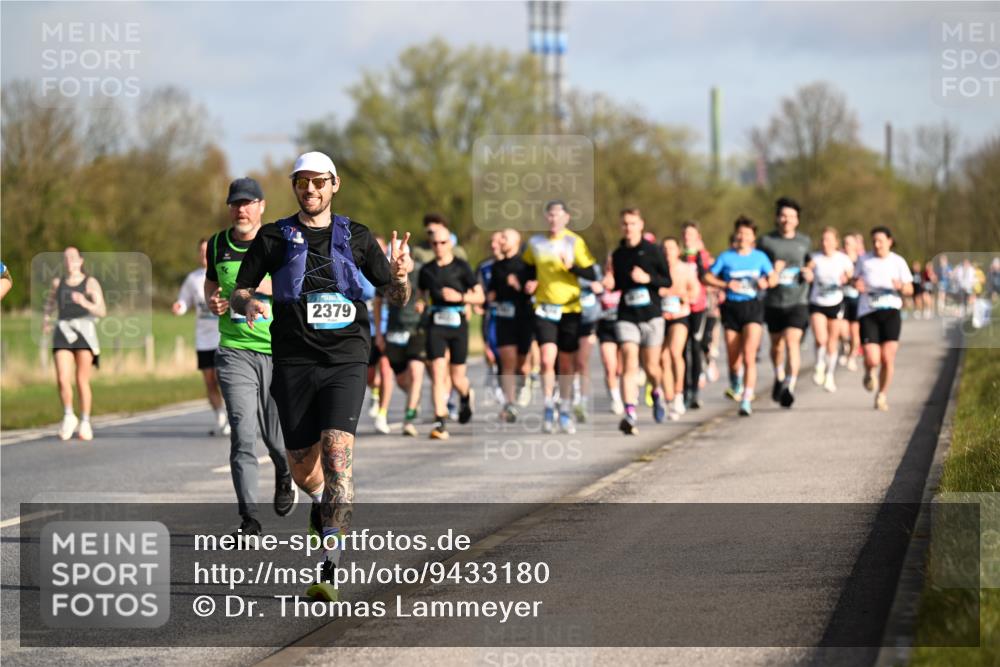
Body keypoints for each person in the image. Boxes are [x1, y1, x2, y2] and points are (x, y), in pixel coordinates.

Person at [231, 152, 412, 600]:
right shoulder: (274, 236)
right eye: (302, 182)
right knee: (302, 468)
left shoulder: (358, 237)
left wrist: (401, 277)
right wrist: (247, 303)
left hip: (346, 359)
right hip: (293, 361)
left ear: (335, 184)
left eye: (318, 182)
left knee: (337, 455)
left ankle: (330, 567)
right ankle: (318, 503)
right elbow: (239, 290)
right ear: (295, 186)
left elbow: (396, 296)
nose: (310, 189)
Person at [205, 178, 295, 536]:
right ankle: (249, 519)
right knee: (243, 434)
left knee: (275, 439)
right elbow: (211, 282)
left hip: (277, 351)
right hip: (235, 351)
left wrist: (254, 286)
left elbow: (296, 284)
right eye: (235, 204)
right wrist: (213, 300)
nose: (241, 210)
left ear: (261, 206)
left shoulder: (279, 242)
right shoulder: (217, 244)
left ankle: (285, 472)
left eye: (248, 203)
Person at [521, 200, 598, 434]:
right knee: (546, 360)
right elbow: (527, 268)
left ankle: (564, 408)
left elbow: (591, 273)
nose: (553, 219)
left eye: (558, 215)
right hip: (544, 308)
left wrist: (572, 267)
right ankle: (547, 406)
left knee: (566, 364)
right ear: (546, 218)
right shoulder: (536, 243)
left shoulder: (575, 241)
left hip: (570, 309)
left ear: (566, 218)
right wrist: (528, 282)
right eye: (550, 215)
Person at [603, 208, 672, 434]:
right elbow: (618, 284)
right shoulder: (618, 254)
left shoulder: (653, 250)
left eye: (632, 223)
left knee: (651, 366)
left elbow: (667, 281)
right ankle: (630, 413)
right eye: (625, 224)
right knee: (629, 363)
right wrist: (611, 283)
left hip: (651, 316)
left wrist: (647, 278)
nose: (628, 228)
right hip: (627, 316)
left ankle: (657, 391)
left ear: (641, 225)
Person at [703, 217, 778, 417]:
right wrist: (725, 284)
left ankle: (746, 398)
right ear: (735, 235)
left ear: (753, 237)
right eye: (740, 233)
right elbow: (707, 277)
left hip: (753, 307)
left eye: (747, 233)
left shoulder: (760, 257)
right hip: (731, 308)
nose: (743, 236)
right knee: (733, 357)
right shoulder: (726, 257)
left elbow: (773, 277)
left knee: (749, 355)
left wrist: (766, 282)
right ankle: (736, 381)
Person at [418, 225, 482, 440]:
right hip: (436, 323)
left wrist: (460, 297)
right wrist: (420, 303)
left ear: (450, 243)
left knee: (457, 378)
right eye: (434, 243)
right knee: (438, 372)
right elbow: (421, 294)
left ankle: (466, 395)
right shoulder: (427, 270)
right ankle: (440, 421)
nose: (439, 246)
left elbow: (480, 296)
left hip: (458, 325)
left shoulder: (462, 267)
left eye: (443, 242)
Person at [43, 247, 105, 441]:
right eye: (66, 258)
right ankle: (69, 415)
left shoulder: (90, 283)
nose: (69, 261)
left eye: (73, 257)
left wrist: (85, 302)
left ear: (80, 260)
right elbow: (50, 304)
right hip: (63, 331)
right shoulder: (58, 283)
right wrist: (46, 319)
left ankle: (85, 421)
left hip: (84, 332)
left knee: (81, 380)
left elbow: (102, 310)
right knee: (62, 378)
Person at [758, 197, 813, 409]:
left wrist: (809, 272)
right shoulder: (766, 241)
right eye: (783, 215)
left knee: (792, 342)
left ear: (797, 220)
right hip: (773, 301)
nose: (787, 220)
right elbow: (758, 267)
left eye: (791, 216)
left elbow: (810, 262)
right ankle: (779, 375)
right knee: (776, 345)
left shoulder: (804, 241)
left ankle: (789, 386)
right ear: (777, 218)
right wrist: (773, 271)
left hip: (798, 300)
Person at [854, 226, 913, 411]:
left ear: (889, 241)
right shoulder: (864, 260)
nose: (877, 244)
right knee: (873, 359)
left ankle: (881, 395)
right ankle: (869, 371)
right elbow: (853, 280)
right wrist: (856, 284)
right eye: (874, 241)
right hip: (868, 312)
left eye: (880, 241)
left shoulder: (898, 261)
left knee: (887, 358)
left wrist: (901, 286)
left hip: (891, 313)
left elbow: (910, 289)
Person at [173, 238, 228, 436]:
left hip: (223, 337)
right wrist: (179, 307)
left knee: (225, 380)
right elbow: (184, 300)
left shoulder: (224, 272)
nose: (205, 255)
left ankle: (233, 418)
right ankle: (220, 417)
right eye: (202, 251)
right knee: (209, 381)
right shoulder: (193, 278)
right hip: (204, 339)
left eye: (208, 251)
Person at [375, 246, 426, 437]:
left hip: (417, 329)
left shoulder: (421, 271)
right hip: (394, 330)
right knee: (402, 380)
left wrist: (424, 302)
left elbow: (431, 291)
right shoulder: (385, 274)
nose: (397, 261)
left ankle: (409, 419)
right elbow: (378, 303)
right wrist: (379, 334)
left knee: (415, 371)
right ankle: (414, 398)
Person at [488, 228, 533, 422]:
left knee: (522, 366)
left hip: (523, 318)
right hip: (504, 318)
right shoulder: (497, 266)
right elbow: (491, 292)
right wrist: (491, 296)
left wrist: (519, 286)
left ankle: (524, 382)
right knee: (507, 362)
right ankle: (510, 403)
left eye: (505, 238)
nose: (501, 241)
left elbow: (532, 289)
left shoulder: (526, 265)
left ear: (516, 241)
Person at [806, 227, 854, 393]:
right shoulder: (815, 258)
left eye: (829, 240)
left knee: (833, 340)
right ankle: (819, 364)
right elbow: (807, 270)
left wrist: (847, 278)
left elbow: (851, 276)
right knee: (821, 339)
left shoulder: (843, 259)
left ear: (836, 242)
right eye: (823, 240)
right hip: (817, 303)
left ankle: (830, 375)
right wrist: (807, 274)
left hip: (835, 302)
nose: (825, 243)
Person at [660, 236, 699, 420]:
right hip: (660, 317)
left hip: (680, 315)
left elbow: (695, 291)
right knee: (663, 358)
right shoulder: (657, 268)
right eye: (664, 248)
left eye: (671, 248)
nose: (667, 252)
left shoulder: (686, 269)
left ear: (678, 250)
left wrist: (684, 295)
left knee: (675, 352)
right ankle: (669, 399)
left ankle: (679, 394)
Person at [679, 222, 714, 409]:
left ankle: (694, 392)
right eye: (685, 234)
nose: (687, 237)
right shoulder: (677, 255)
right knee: (681, 350)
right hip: (680, 307)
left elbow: (708, 277)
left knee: (695, 347)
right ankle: (684, 389)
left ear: (698, 236)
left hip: (698, 306)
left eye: (691, 234)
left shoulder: (703, 255)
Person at [477, 232, 504, 406]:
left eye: (498, 241)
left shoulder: (516, 265)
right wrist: (479, 301)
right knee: (492, 352)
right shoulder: (484, 267)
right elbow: (477, 289)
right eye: (491, 241)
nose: (494, 245)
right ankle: (497, 386)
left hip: (513, 316)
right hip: (491, 315)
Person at [841, 233, 864, 371]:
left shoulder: (861, 260)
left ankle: (852, 357)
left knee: (855, 332)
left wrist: (852, 279)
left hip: (857, 299)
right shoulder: (839, 259)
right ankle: (845, 347)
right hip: (842, 298)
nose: (846, 246)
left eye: (849, 243)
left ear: (856, 245)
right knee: (843, 331)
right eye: (844, 243)